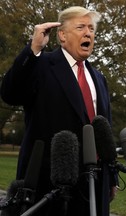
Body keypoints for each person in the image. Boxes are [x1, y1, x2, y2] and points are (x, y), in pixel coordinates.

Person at [0, 6, 117, 216]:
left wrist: (111, 178)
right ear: (62, 35)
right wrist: (33, 48)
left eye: (91, 28)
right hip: (49, 185)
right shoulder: (41, 64)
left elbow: (105, 130)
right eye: (80, 27)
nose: (88, 32)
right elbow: (10, 93)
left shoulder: (99, 78)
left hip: (95, 182)